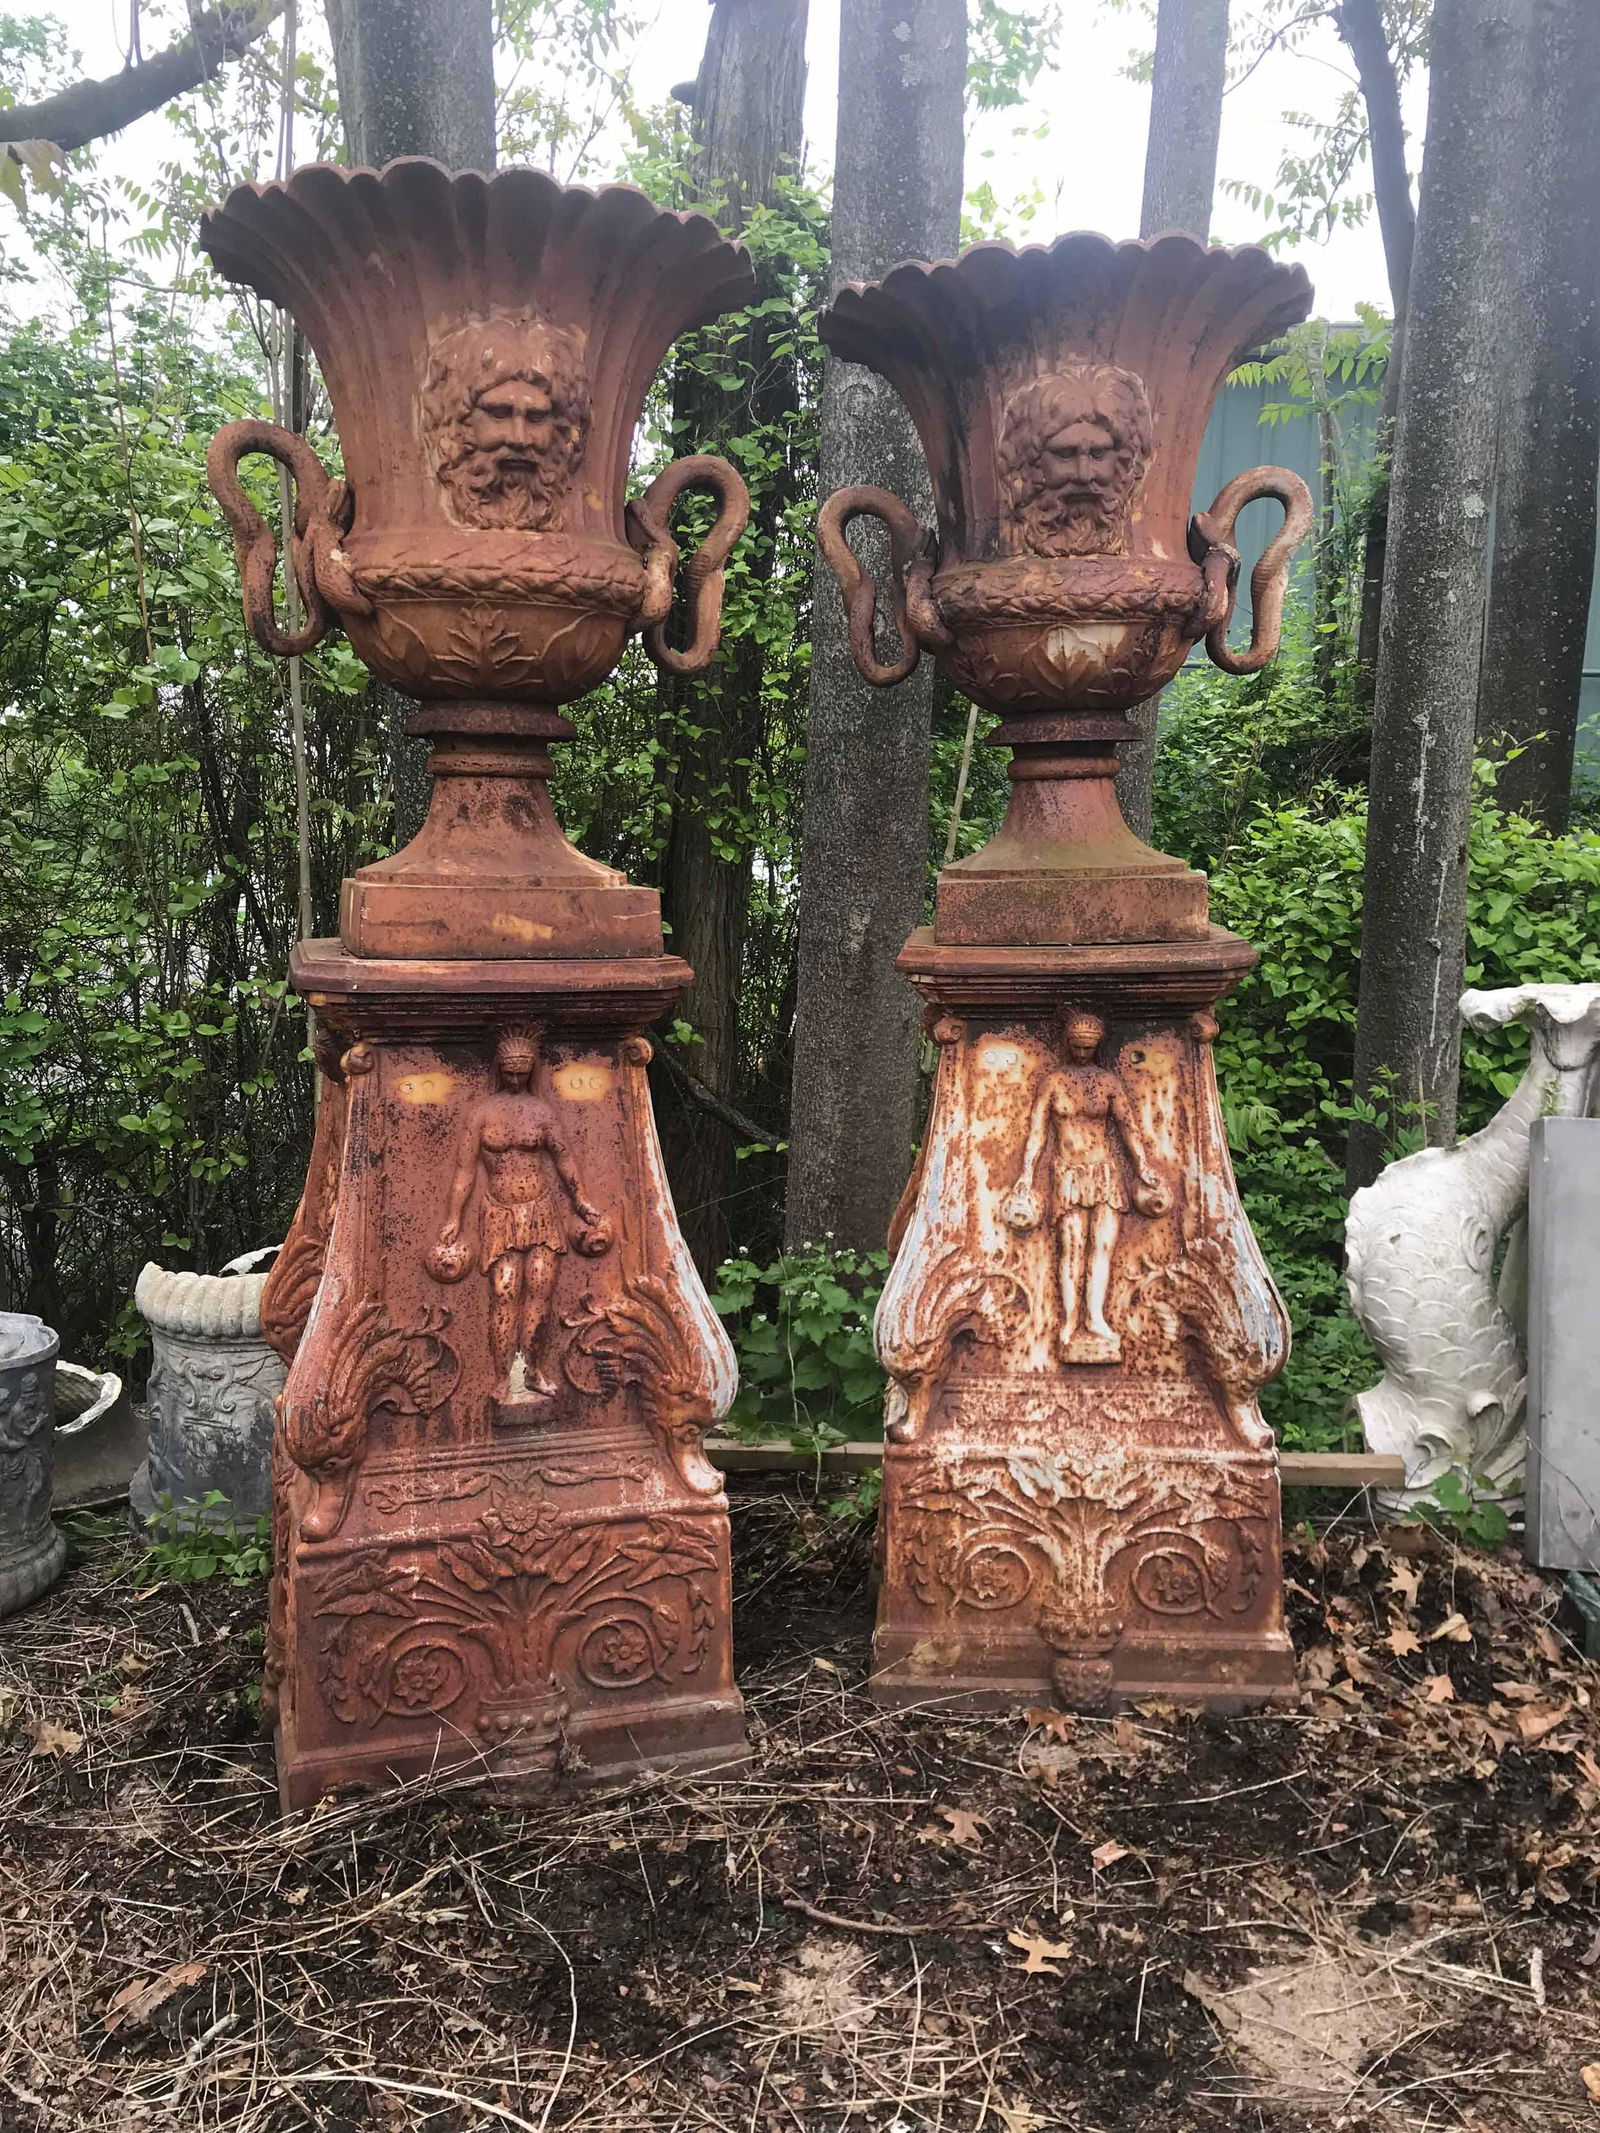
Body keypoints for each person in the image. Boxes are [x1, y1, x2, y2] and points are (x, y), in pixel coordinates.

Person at [428, 1028, 611, 1410]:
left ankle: (534, 1368)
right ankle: (500, 1377)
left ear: (531, 1070)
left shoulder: (542, 1112)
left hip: (541, 1209)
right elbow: (464, 1171)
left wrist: (580, 1201)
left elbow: (564, 1159)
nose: (515, 1079)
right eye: (509, 1072)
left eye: (522, 1072)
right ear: (499, 1068)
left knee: (541, 1291)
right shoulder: (482, 1113)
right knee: (505, 1291)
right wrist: (452, 1218)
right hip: (499, 1211)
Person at [1003, 1009, 1169, 1364]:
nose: (1082, 1053)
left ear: (1097, 1046)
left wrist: (1143, 1168)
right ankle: (1069, 1323)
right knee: (1072, 1248)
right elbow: (1035, 1132)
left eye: (1088, 1048)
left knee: (1103, 1247)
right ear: (1067, 1043)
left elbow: (1128, 1129)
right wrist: (1026, 1175)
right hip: (1067, 1171)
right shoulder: (1054, 1081)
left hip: (1103, 1170)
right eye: (1076, 1047)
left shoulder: (1107, 1082)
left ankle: (1095, 1317)